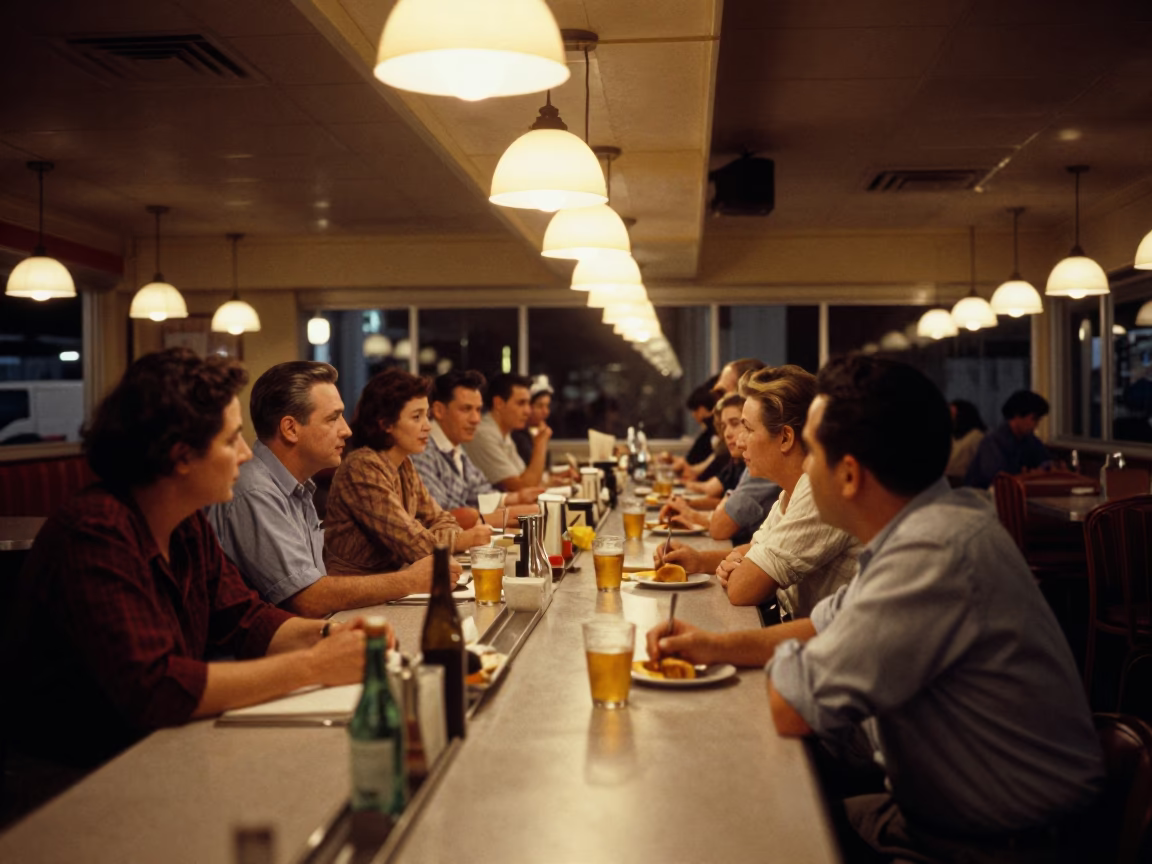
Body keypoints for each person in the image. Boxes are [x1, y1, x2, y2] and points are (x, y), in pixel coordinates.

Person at [647, 356, 1103, 863]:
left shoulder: (931, 553)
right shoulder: (926, 525)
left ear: (848, 475)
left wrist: (793, 652)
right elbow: (822, 627)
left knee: (739, 824)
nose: (804, 470)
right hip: (949, 812)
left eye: (813, 452)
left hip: (992, 843)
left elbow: (791, 705)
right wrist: (712, 644)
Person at [2, 349, 373, 771]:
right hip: (73, 775)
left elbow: (246, 619)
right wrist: (314, 665)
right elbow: (155, 688)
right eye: (231, 440)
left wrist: (332, 634)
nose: (246, 454)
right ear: (181, 456)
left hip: (155, 751)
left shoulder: (186, 525)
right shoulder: (96, 531)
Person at [208, 362, 452, 616]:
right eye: (333, 418)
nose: (346, 430)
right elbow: (306, 599)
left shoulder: (295, 486)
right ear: (290, 429)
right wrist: (409, 581)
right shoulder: (256, 491)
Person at [659, 366, 858, 620]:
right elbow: (752, 549)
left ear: (785, 438)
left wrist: (743, 569)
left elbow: (742, 590)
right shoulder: (789, 492)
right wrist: (698, 561)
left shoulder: (816, 491)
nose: (739, 441)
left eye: (748, 429)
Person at [324, 369, 491, 576]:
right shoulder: (362, 467)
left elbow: (442, 519)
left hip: (396, 580)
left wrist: (437, 535)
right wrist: (463, 539)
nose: (427, 426)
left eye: (427, 416)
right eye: (416, 417)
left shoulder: (404, 464)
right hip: (356, 586)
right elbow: (413, 543)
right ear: (386, 423)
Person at [410, 369, 542, 528]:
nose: (476, 419)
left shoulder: (455, 447)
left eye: (478, 410)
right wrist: (506, 516)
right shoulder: (422, 451)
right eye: (466, 409)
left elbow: (478, 491)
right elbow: (440, 517)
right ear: (438, 411)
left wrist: (516, 498)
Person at [658, 392, 780, 545]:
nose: (727, 434)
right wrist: (686, 504)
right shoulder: (743, 461)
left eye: (738, 424)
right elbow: (723, 505)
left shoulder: (763, 466)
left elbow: (720, 524)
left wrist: (689, 511)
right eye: (723, 427)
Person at [463, 373, 551, 491]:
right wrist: (541, 444)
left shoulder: (504, 432)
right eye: (521, 403)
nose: (528, 411)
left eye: (528, 404)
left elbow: (525, 477)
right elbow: (523, 487)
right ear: (499, 403)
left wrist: (552, 482)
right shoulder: (483, 434)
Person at [963, 389, 1051, 489]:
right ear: (1017, 415)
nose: (1036, 425)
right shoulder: (993, 442)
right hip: (982, 495)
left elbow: (1045, 461)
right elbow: (998, 478)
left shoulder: (1030, 440)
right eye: (1034, 419)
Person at [663, 378, 719, 480]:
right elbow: (690, 461)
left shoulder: (714, 434)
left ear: (703, 408)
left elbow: (691, 465)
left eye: (695, 410)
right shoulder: (708, 432)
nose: (693, 415)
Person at [511, 375, 553, 467]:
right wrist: (541, 442)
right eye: (540, 406)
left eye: (547, 406)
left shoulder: (534, 431)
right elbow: (532, 470)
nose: (545, 411)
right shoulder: (517, 434)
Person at [944, 398, 986, 482]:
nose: (950, 418)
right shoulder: (952, 436)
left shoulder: (976, 436)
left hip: (966, 482)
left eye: (953, 415)